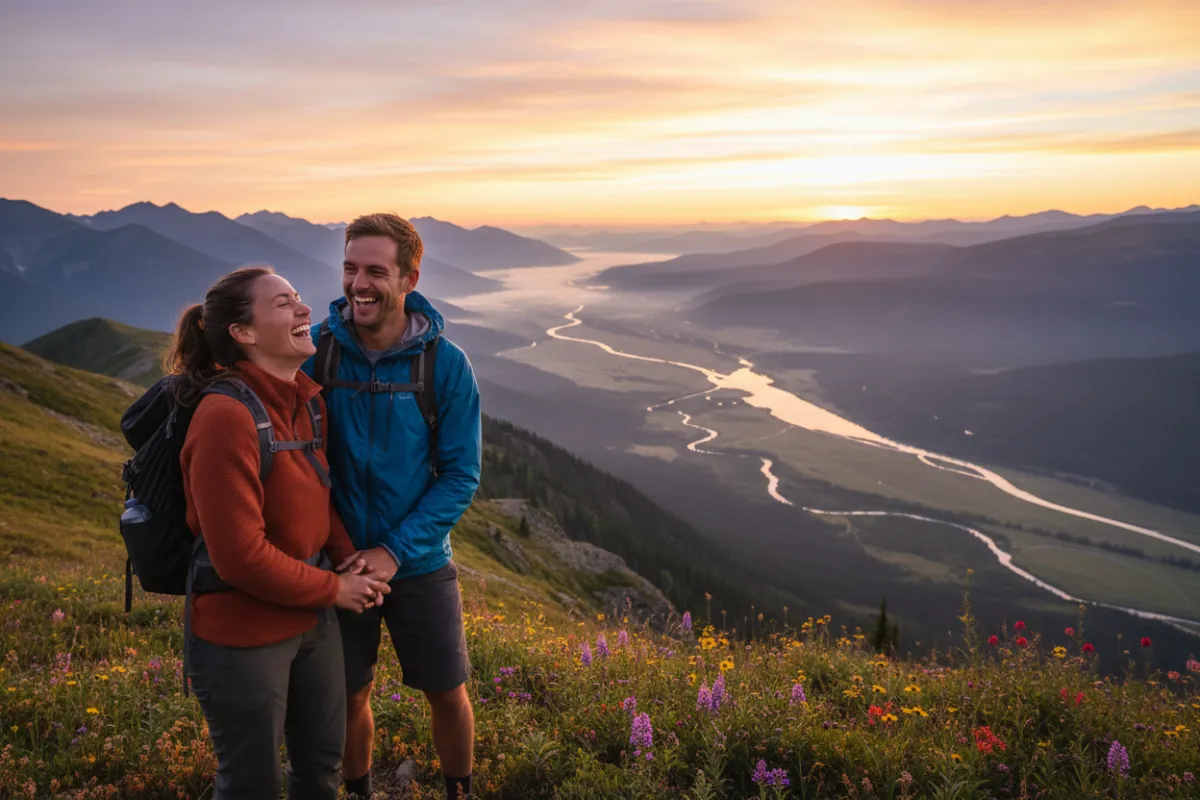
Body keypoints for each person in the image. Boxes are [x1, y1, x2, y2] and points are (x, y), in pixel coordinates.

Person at [175, 265, 392, 799]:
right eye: (283, 304)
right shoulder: (225, 417)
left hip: (312, 619)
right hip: (241, 633)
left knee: (321, 767)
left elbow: (317, 494)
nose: (303, 309)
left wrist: (345, 557)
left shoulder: (305, 399)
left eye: (298, 298)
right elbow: (239, 557)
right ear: (243, 334)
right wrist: (335, 591)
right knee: (252, 783)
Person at [303, 214, 482, 800]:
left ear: (409, 276)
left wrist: (394, 552)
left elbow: (461, 475)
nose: (359, 284)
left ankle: (460, 790)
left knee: (447, 690)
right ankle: (357, 792)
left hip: (421, 562)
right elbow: (301, 464)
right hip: (339, 561)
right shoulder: (320, 359)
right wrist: (345, 553)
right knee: (349, 693)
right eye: (351, 268)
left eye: (376, 271)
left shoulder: (445, 365)